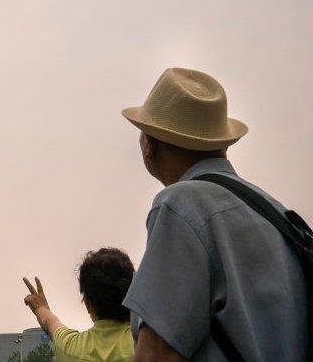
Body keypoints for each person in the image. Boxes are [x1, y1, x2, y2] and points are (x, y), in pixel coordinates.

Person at [122, 68, 308, 360]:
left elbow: (156, 354)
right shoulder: (279, 216)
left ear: (149, 144)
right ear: (222, 144)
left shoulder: (180, 204)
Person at [22, 248, 135, 362]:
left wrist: (40, 307)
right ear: (133, 295)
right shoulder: (146, 345)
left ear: (87, 303)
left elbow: (50, 322)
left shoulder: (71, 348)